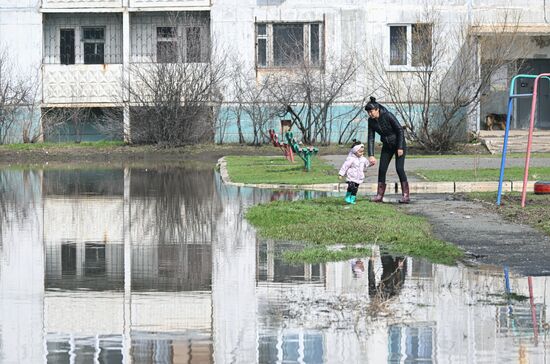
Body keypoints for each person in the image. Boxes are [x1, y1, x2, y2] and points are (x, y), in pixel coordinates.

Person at [364, 96, 410, 203]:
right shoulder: (371, 121)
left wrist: (400, 147)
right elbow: (371, 137)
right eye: (368, 112)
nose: (370, 114)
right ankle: (379, 195)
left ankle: (406, 196)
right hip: (387, 146)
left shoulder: (388, 115)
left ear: (377, 109)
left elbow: (400, 130)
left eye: (371, 111)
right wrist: (371, 154)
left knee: (399, 168)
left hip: (399, 144)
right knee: (382, 169)